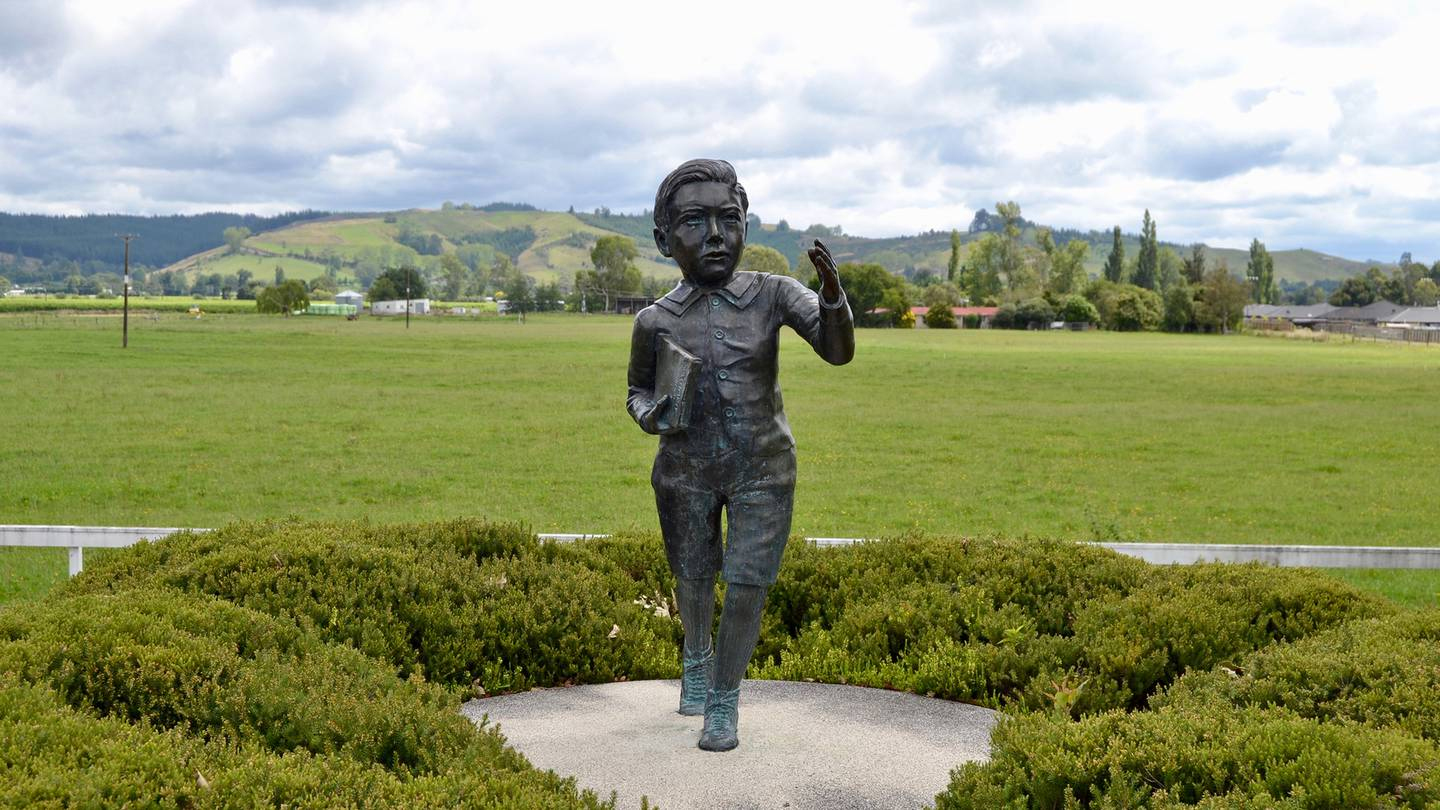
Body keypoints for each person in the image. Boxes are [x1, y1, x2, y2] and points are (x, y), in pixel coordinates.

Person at [626, 158, 854, 751]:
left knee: (749, 581)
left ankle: (724, 699)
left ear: (745, 226)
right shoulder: (654, 320)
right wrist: (651, 414)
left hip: (764, 468)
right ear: (664, 239)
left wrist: (833, 299)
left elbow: (835, 351)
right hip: (684, 471)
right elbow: (636, 391)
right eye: (694, 222)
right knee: (694, 575)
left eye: (729, 219)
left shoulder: (773, 294)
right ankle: (696, 660)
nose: (716, 235)